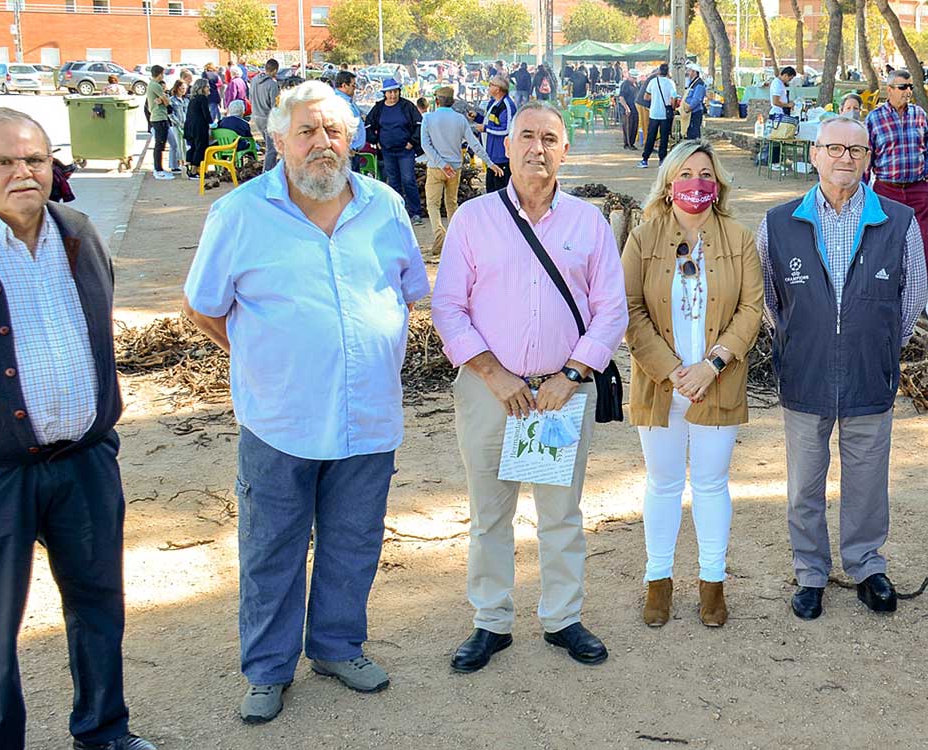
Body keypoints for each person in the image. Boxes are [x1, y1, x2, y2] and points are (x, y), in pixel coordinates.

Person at [182, 81, 429, 724]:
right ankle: (267, 669)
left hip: (368, 414)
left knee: (354, 540)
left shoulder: (385, 207)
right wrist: (268, 360)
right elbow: (203, 308)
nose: (322, 144)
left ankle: (338, 646)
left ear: (352, 138)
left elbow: (405, 293)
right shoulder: (238, 214)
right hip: (279, 419)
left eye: (334, 132)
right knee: (271, 547)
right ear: (280, 140)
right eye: (307, 132)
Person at [0, 107, 157, 750]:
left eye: (34, 160)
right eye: (3, 162)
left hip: (84, 463)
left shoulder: (78, 232)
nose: (22, 173)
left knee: (97, 605)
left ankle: (104, 730)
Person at [432, 101, 628, 674]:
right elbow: (448, 306)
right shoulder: (473, 219)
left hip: (558, 396)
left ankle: (562, 617)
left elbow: (610, 310)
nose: (537, 148)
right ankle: (491, 621)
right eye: (526, 136)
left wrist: (572, 375)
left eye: (549, 138)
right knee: (490, 512)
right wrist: (493, 374)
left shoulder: (587, 222)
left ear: (565, 151)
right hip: (491, 393)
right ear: (506, 146)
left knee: (560, 512)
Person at [756, 117, 928, 620]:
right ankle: (810, 572)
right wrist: (805, 336)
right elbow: (771, 298)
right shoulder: (779, 222)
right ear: (814, 154)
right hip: (805, 374)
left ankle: (866, 565)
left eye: (856, 150)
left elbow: (911, 297)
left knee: (868, 481)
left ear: (869, 158)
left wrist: (871, 344)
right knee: (804, 484)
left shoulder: (896, 221)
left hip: (869, 374)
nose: (845, 158)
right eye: (834, 148)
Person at [622, 140, 764, 628]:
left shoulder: (740, 237)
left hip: (716, 383)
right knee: (662, 484)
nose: (696, 183)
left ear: (718, 183)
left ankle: (711, 583)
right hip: (660, 386)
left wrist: (712, 365)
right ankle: (657, 581)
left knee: (710, 484)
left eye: (705, 174)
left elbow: (751, 309)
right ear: (667, 184)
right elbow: (629, 309)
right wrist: (671, 368)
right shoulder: (643, 238)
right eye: (685, 173)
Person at [866, 70, 928, 259]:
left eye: (910, 87)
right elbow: (867, 157)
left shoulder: (919, 114)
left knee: (923, 244)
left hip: (918, 190)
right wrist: (863, 191)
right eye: (902, 87)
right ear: (889, 90)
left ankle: (924, 285)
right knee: (886, 245)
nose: (908, 91)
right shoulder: (874, 119)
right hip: (887, 191)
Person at [421, 86, 496, 257]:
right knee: (451, 203)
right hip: (455, 168)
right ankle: (455, 239)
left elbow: (426, 145)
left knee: (432, 205)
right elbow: (474, 144)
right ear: (453, 102)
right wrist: (489, 163)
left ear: (437, 101)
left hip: (435, 167)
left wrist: (440, 163)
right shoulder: (460, 120)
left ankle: (439, 235)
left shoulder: (428, 118)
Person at [364, 78, 426, 223]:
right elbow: (368, 125)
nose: (392, 95)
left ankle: (416, 213)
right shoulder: (379, 108)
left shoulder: (407, 106)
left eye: (395, 91)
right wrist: (375, 141)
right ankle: (397, 212)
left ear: (399, 91)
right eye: (389, 92)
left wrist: (412, 142)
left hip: (405, 151)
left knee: (408, 180)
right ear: (384, 93)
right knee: (393, 182)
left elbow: (419, 124)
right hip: (387, 151)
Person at [477, 74, 515, 193]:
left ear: (497, 89)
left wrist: (486, 128)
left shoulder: (507, 105)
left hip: (501, 156)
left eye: (490, 85)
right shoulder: (494, 103)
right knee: (490, 191)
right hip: (491, 155)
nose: (488, 87)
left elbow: (507, 129)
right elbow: (491, 122)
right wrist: (477, 118)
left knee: (500, 192)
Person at [640, 63, 677, 169]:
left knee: (651, 136)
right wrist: (673, 108)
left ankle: (645, 159)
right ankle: (662, 160)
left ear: (659, 71)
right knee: (664, 138)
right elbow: (673, 98)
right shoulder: (671, 83)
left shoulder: (653, 82)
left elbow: (646, 97)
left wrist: (655, 98)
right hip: (665, 114)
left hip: (654, 113)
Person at [145, 64, 176, 180]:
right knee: (160, 144)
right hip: (159, 117)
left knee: (161, 143)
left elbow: (162, 99)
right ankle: (158, 169)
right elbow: (166, 100)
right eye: (162, 74)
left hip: (160, 117)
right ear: (159, 74)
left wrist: (162, 100)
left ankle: (159, 168)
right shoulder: (156, 86)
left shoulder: (151, 85)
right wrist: (164, 101)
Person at [250, 58, 281, 172]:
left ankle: (270, 170)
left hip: (256, 116)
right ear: (275, 70)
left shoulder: (254, 80)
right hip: (268, 118)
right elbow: (275, 106)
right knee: (272, 149)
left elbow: (250, 97)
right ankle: (267, 172)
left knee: (270, 146)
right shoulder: (272, 84)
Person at [333, 70, 369, 167]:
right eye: (353, 85)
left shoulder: (348, 101)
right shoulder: (339, 102)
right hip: (347, 153)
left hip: (353, 152)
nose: (355, 88)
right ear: (344, 85)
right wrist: (347, 148)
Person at [185, 77, 213, 177]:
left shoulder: (193, 99)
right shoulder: (202, 98)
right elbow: (206, 114)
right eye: (207, 86)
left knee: (193, 146)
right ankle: (194, 170)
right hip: (199, 126)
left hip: (189, 126)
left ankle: (189, 167)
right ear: (202, 87)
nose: (209, 88)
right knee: (200, 147)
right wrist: (211, 122)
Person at [168, 79, 192, 179]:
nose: (183, 90)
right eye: (182, 88)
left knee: (185, 146)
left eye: (185, 89)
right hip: (177, 126)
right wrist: (179, 123)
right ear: (177, 88)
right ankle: (181, 165)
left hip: (186, 126)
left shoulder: (186, 100)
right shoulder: (172, 100)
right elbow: (170, 114)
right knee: (179, 145)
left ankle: (186, 165)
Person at [618, 68, 640, 150]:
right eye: (633, 78)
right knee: (628, 127)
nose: (635, 79)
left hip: (635, 109)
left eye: (636, 78)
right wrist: (626, 108)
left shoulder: (636, 85)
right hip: (627, 109)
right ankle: (627, 144)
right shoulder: (625, 84)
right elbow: (621, 98)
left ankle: (632, 143)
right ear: (629, 76)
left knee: (634, 127)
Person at [684, 67, 707, 139]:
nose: (688, 73)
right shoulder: (692, 82)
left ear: (694, 72)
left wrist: (689, 108)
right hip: (691, 111)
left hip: (695, 112)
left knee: (694, 133)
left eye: (690, 71)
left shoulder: (699, 84)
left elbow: (697, 99)